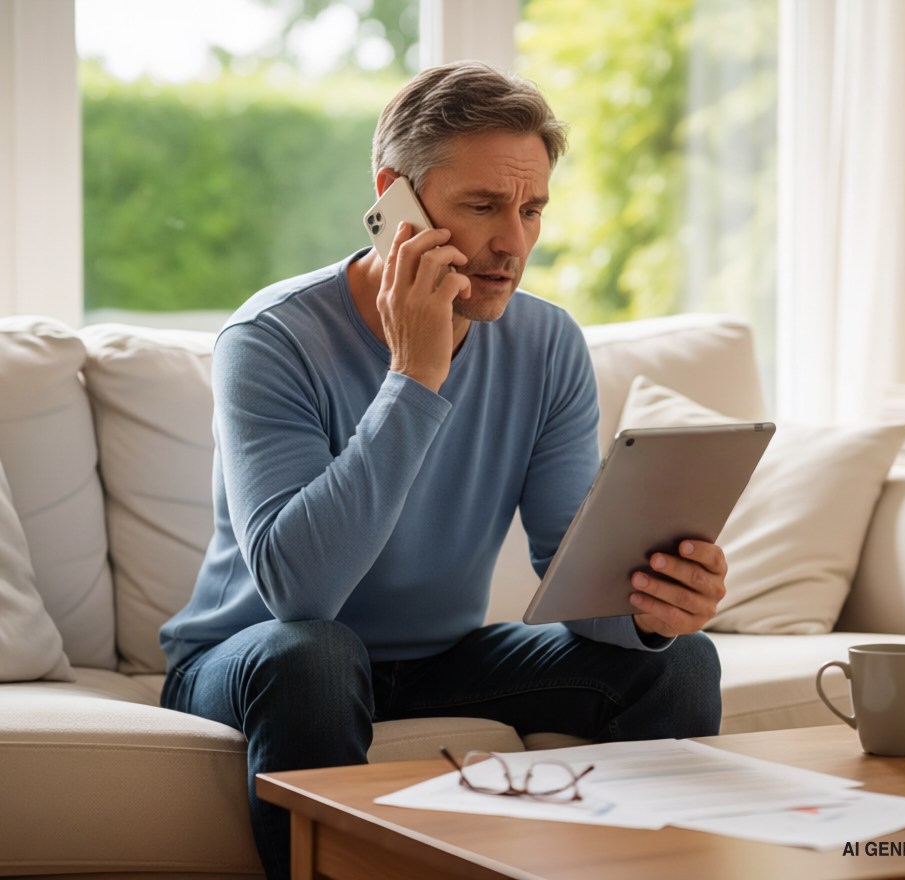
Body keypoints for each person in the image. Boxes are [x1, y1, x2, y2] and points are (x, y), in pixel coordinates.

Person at [160, 61, 726, 880]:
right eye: (484, 206)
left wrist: (651, 607)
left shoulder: (548, 344)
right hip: (256, 657)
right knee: (315, 655)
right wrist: (413, 376)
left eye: (532, 209)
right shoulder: (271, 338)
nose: (515, 243)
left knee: (680, 661)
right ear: (397, 199)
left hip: (442, 658)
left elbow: (570, 570)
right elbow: (301, 596)